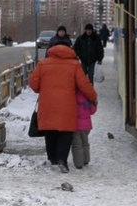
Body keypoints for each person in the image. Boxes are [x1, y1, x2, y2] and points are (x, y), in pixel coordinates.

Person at [29, 43, 97, 173]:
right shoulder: (74, 65)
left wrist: (43, 88)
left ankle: (52, 158)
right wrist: (93, 97)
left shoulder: (43, 64)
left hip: (47, 104)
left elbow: (34, 84)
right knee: (65, 133)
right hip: (67, 105)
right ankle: (62, 160)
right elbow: (84, 84)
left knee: (50, 130)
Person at [72, 90, 97, 169]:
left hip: (76, 127)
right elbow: (92, 111)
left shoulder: (73, 99)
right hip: (86, 127)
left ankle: (79, 163)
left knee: (77, 145)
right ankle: (86, 160)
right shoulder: (87, 99)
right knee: (85, 143)